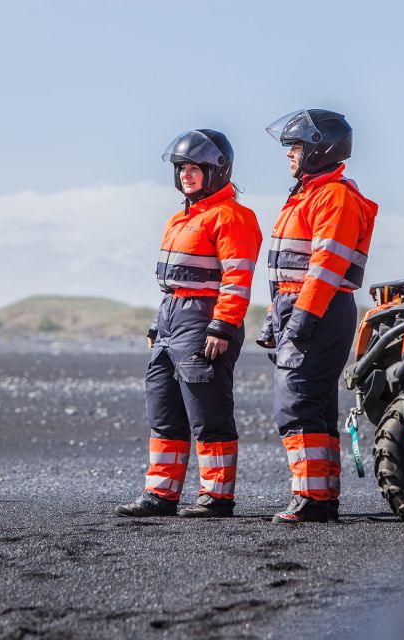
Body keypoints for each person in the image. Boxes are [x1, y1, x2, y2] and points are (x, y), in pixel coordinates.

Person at [115, 129, 262, 519]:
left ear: (217, 170)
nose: (186, 175)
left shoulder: (233, 217)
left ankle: (216, 497)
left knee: (208, 412)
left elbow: (237, 278)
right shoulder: (178, 219)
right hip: (170, 320)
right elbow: (174, 282)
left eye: (195, 168)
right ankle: (160, 495)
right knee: (164, 411)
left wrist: (223, 327)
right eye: (181, 168)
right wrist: (155, 324)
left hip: (204, 319)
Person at [258, 109, 378, 523]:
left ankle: (311, 499)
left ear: (318, 148)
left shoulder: (333, 196)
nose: (290, 154)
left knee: (296, 402)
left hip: (320, 308)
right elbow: (286, 270)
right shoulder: (308, 194)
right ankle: (320, 496)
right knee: (315, 403)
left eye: (295, 146)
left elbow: (325, 267)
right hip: (303, 306)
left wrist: (303, 320)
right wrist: (274, 317)